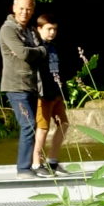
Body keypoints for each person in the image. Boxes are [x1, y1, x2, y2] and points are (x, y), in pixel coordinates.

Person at [0, 0, 45, 177]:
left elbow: (42, 48)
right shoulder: (8, 29)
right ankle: (23, 168)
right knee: (28, 125)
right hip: (16, 86)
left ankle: (36, 164)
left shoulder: (31, 31)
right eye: (22, 9)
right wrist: (39, 51)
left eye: (28, 9)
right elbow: (23, 53)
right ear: (14, 8)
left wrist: (37, 50)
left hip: (32, 85)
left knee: (38, 125)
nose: (25, 12)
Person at [33, 14, 74, 172]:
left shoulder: (54, 46)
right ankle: (37, 162)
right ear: (39, 29)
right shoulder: (36, 47)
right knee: (43, 128)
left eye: (54, 29)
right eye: (49, 29)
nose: (52, 32)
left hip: (57, 92)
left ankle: (53, 160)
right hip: (43, 94)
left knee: (64, 124)